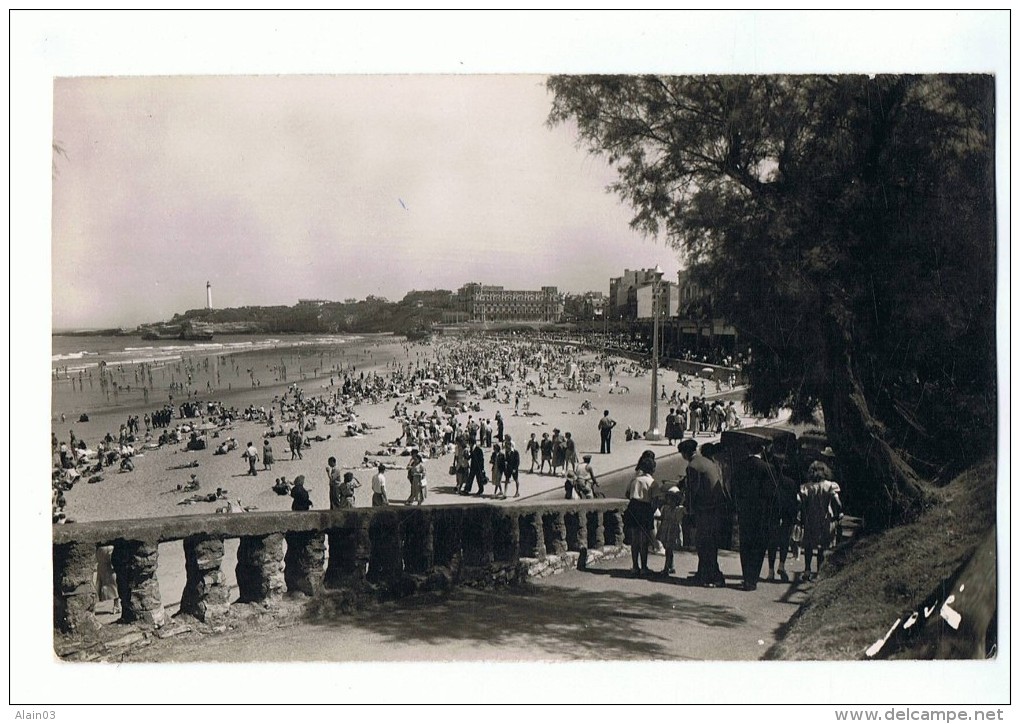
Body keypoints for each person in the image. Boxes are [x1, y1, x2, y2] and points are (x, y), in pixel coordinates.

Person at [731, 438, 779, 591]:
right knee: (758, 546)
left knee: (745, 545)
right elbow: (773, 492)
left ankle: (746, 578)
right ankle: (753, 579)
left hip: (745, 511)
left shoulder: (739, 466)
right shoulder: (767, 468)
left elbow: (733, 488)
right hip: (761, 513)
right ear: (761, 450)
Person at [684, 441, 728, 587]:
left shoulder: (693, 466)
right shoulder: (708, 462)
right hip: (716, 508)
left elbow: (692, 491)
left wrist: (689, 510)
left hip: (705, 509)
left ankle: (713, 576)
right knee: (709, 543)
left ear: (685, 453)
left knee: (704, 543)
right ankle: (703, 573)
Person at [800, 461, 843, 581]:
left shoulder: (807, 487)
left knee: (808, 545)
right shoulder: (830, 485)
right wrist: (838, 513)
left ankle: (807, 569)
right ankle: (818, 571)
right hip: (825, 519)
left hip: (810, 518)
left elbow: (801, 503)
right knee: (822, 546)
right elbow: (837, 502)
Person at [767, 460, 800, 582]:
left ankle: (770, 571)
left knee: (772, 543)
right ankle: (781, 564)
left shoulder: (770, 482)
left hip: (773, 516)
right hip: (787, 516)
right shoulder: (791, 483)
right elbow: (794, 502)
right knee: (784, 541)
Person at [623, 454, 656, 576]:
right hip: (645, 509)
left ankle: (634, 566)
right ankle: (644, 567)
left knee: (635, 539)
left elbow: (627, 494)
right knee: (644, 540)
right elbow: (655, 499)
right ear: (653, 469)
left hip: (633, 507)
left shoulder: (635, 480)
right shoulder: (652, 482)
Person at [656, 486, 685, 576]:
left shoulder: (679, 509)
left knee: (669, 549)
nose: (670, 501)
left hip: (673, 531)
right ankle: (670, 566)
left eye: (673, 499)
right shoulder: (665, 508)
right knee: (668, 549)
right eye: (669, 498)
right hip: (666, 529)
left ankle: (666, 568)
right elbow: (661, 517)